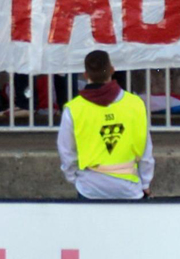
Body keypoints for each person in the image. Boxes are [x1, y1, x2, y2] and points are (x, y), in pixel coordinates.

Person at [58, 49, 152, 200]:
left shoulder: (73, 108)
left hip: (89, 186)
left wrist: (74, 179)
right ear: (112, 70)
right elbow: (146, 150)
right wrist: (145, 183)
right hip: (129, 187)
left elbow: (66, 151)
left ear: (86, 75)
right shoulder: (135, 104)